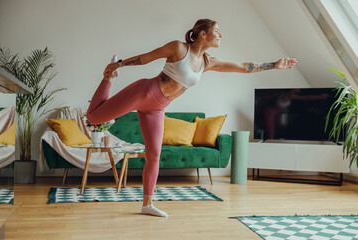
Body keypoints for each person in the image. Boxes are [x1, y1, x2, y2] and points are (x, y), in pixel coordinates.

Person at [86, 18, 298, 218]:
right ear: (203, 33)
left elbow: (243, 67)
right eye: (217, 31)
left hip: (158, 107)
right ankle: (107, 79)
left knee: (154, 155)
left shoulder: (208, 62)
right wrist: (119, 65)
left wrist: (274, 64)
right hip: (144, 92)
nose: (220, 35)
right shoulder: (179, 48)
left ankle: (147, 205)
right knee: (94, 118)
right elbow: (146, 58)